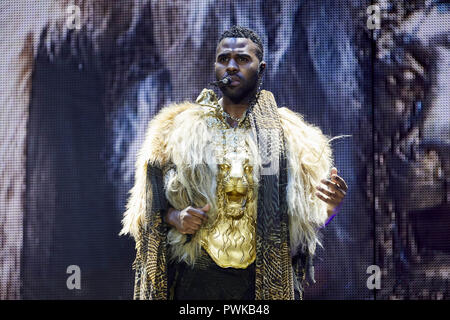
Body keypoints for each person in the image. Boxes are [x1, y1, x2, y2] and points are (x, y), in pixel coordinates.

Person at [119, 25, 348, 300]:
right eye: (223, 59)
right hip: (195, 282)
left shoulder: (291, 136)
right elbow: (144, 212)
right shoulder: (177, 131)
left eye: (242, 59)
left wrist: (331, 207)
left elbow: (306, 220)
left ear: (260, 68)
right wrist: (176, 218)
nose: (231, 67)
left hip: (259, 286)